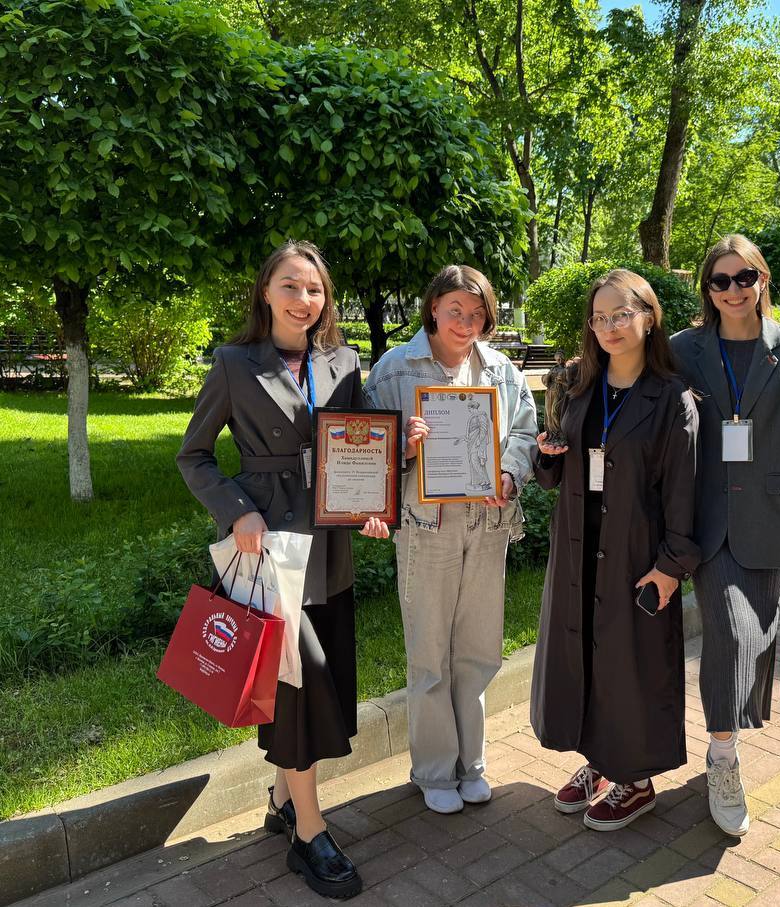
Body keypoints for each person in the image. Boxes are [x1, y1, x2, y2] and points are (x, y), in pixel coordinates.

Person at [177, 241, 388, 900]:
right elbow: (193, 456)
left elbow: (357, 447)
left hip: (329, 545)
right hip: (270, 546)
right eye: (290, 286)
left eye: (314, 288)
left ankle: (281, 799)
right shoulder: (234, 363)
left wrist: (378, 493)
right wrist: (236, 510)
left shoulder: (344, 360)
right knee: (299, 686)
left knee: (319, 679)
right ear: (266, 291)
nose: (303, 299)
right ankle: (308, 832)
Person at [363, 265, 538, 815]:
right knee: (430, 653)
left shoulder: (501, 370)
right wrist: (403, 447)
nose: (466, 323)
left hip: (488, 526)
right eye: (455, 310)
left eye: (477, 313)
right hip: (426, 529)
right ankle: (435, 771)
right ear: (433, 308)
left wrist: (509, 473)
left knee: (479, 650)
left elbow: (525, 432)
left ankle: (472, 765)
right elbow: (363, 447)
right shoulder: (394, 371)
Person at [532, 269, 700, 832]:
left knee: (633, 663)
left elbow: (684, 491)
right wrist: (547, 455)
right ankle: (599, 761)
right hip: (579, 544)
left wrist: (671, 567)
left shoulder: (672, 399)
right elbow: (551, 474)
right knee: (585, 653)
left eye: (622, 314)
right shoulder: (579, 385)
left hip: (635, 549)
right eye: (600, 317)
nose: (610, 327)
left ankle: (637, 779)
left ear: (649, 318)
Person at [670, 234, 780, 838]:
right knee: (731, 634)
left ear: (762, 280)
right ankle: (723, 756)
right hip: (707, 519)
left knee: (758, 637)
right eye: (720, 280)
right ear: (707, 290)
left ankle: (730, 730)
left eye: (744, 278)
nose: (733, 290)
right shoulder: (684, 349)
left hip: (773, 517)